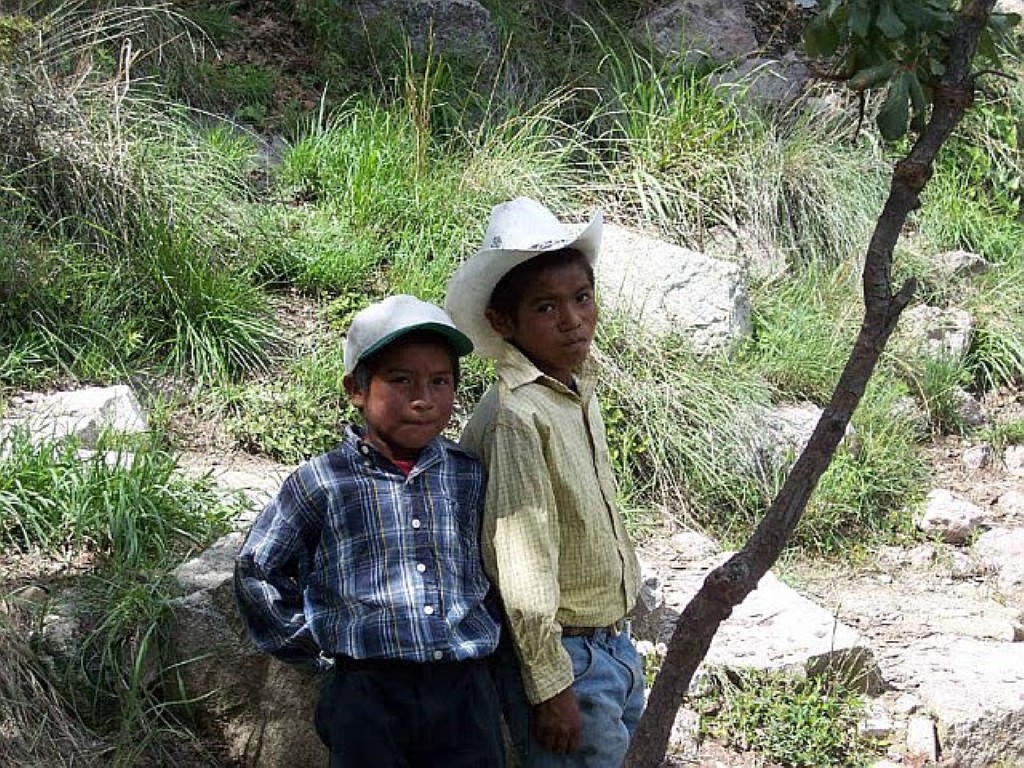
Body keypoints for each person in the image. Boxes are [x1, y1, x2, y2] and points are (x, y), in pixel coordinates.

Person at [234, 294, 505, 768]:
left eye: (440, 382)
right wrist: (319, 648)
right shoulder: (324, 480)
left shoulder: (468, 474)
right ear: (356, 389)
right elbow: (258, 568)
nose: (423, 399)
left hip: (463, 687)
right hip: (367, 690)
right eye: (400, 380)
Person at [445, 197, 644, 767]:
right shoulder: (517, 415)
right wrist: (550, 684)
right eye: (546, 307)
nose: (573, 319)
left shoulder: (575, 391)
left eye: (582, 298)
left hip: (611, 645)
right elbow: (522, 559)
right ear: (503, 323)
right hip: (568, 659)